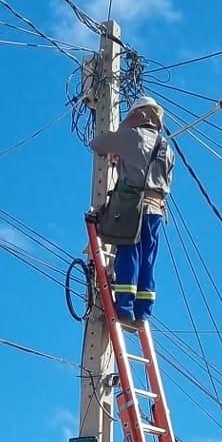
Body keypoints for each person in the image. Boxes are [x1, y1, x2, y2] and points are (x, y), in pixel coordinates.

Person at [92, 95, 173, 324]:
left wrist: (118, 143)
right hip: (156, 209)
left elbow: (97, 144)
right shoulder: (166, 147)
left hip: (132, 205)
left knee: (129, 251)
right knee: (148, 258)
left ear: (138, 114)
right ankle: (143, 313)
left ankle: (125, 308)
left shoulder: (132, 136)